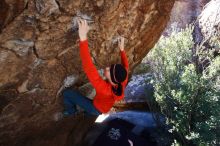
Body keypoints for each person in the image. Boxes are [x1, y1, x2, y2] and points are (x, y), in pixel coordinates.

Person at [62, 18, 129, 116]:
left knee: (67, 93)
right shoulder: (122, 81)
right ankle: (85, 113)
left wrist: (83, 38)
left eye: (109, 70)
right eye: (110, 67)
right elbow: (126, 66)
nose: (107, 68)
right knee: (88, 112)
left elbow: (89, 67)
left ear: (112, 78)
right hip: (102, 106)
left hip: (95, 108)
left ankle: (72, 112)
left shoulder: (104, 89)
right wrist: (122, 50)